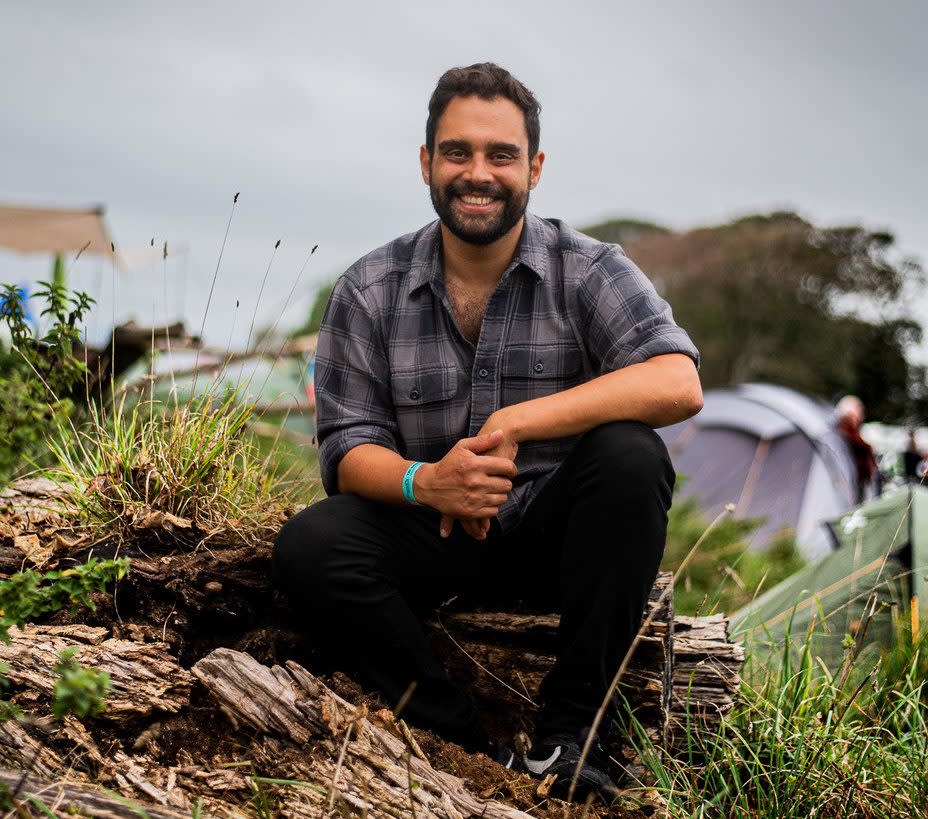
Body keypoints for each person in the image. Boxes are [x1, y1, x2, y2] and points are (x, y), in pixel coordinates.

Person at [273, 62, 702, 800]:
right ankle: (464, 742)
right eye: (457, 152)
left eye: (501, 154)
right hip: (432, 538)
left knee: (631, 455)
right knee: (312, 544)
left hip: (556, 542)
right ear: (426, 163)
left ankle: (570, 737)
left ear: (533, 167)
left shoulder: (590, 268)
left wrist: (517, 421)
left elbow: (677, 380)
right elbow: (345, 450)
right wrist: (426, 480)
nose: (479, 173)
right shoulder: (368, 287)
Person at [835, 395, 878, 503]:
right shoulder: (842, 437)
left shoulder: (855, 440)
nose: (860, 419)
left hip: (854, 491)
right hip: (846, 492)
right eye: (857, 415)